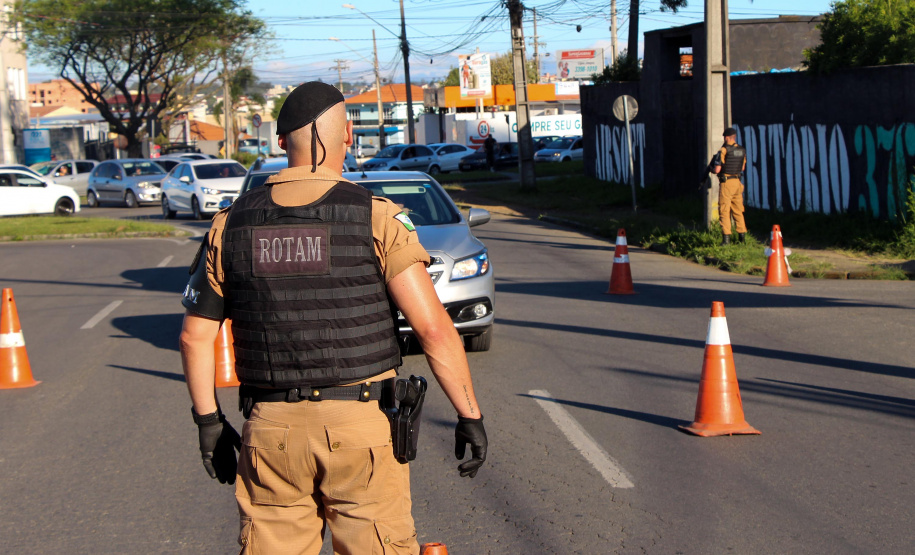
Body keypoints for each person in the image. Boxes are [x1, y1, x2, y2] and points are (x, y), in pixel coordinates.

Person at [179, 81, 487, 554]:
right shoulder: (376, 218)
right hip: (361, 427)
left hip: (271, 431)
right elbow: (433, 330)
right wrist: (469, 414)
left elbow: (195, 339)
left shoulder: (230, 224)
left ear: (280, 143)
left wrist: (209, 424)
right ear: (347, 138)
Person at [716, 127, 747, 245]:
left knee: (724, 210)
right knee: (738, 210)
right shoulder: (742, 150)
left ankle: (726, 239)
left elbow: (718, 169)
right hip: (738, 183)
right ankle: (742, 238)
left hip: (727, 183)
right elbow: (742, 167)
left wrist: (713, 169)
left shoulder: (724, 150)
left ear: (727, 138)